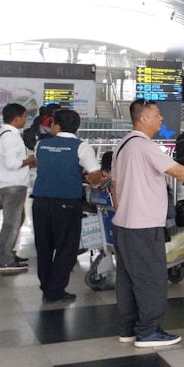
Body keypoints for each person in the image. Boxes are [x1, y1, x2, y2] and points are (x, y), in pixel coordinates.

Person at [114, 99, 184, 347]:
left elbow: (115, 185)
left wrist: (125, 210)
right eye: (157, 114)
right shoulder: (145, 146)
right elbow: (179, 171)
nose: (161, 118)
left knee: (128, 279)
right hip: (143, 226)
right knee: (151, 278)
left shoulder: (122, 145)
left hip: (123, 224)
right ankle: (148, 331)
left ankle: (128, 328)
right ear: (143, 118)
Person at [32, 109, 106, 302]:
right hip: (67, 203)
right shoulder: (82, 147)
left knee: (44, 247)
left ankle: (47, 286)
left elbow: (42, 164)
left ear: (56, 125)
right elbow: (95, 175)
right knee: (67, 247)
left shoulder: (41, 145)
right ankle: (55, 290)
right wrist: (89, 180)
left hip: (41, 202)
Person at [0, 103, 34, 274]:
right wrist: (29, 161)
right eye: (24, 117)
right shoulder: (10, 136)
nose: (25, 120)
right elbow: (12, 163)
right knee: (11, 223)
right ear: (16, 119)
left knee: (17, 219)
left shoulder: (2, 133)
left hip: (8, 183)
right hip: (12, 185)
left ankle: (7, 252)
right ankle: (4, 260)